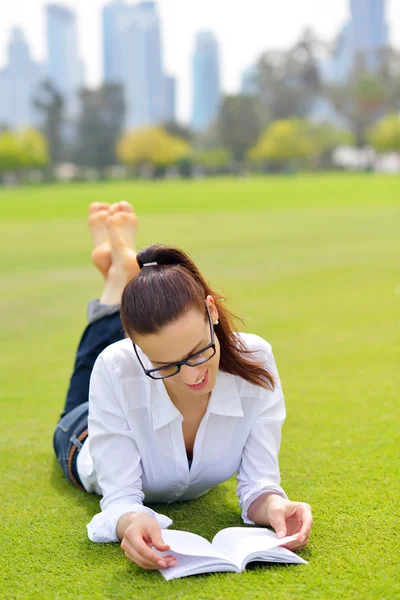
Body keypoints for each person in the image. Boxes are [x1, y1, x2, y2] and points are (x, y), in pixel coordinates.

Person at [53, 201, 313, 571]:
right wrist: (129, 520)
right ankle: (117, 283)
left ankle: (120, 277)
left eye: (198, 352)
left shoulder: (257, 360)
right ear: (138, 350)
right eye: (165, 365)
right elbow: (121, 499)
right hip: (81, 434)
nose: (192, 376)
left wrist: (275, 506)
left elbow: (259, 484)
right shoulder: (119, 364)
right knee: (92, 367)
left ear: (212, 310)